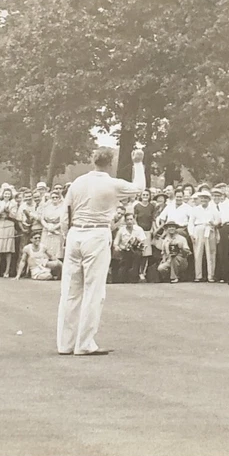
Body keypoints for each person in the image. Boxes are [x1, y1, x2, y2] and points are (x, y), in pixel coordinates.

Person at [56, 148, 146, 356]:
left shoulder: (78, 182)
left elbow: (65, 214)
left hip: (75, 234)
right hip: (96, 235)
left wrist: (66, 237)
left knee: (70, 291)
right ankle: (84, 343)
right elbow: (139, 187)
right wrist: (138, 163)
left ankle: (65, 344)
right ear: (110, 162)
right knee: (93, 291)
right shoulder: (111, 184)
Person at [188, 190, 221, 282]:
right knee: (198, 253)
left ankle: (211, 275)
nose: (203, 200)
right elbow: (190, 223)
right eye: (202, 198)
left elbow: (218, 220)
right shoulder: (195, 209)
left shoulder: (213, 209)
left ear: (209, 199)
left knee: (211, 253)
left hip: (209, 230)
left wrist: (213, 223)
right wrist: (191, 234)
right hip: (198, 229)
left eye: (205, 198)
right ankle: (198, 275)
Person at [113, 212, 148, 283]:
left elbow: (143, 241)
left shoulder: (139, 229)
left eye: (131, 219)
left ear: (134, 220)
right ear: (125, 221)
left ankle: (135, 278)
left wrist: (138, 243)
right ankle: (122, 279)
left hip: (136, 250)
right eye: (127, 220)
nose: (129, 221)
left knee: (137, 256)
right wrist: (117, 247)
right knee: (123, 268)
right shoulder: (121, 230)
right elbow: (116, 243)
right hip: (124, 251)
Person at [0, 187, 19, 278]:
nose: (7, 195)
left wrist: (8, 212)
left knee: (9, 249)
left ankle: (7, 271)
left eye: (8, 194)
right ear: (2, 195)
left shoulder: (13, 204)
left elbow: (15, 216)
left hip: (9, 225)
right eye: (5, 194)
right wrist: (0, 212)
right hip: (0, 225)